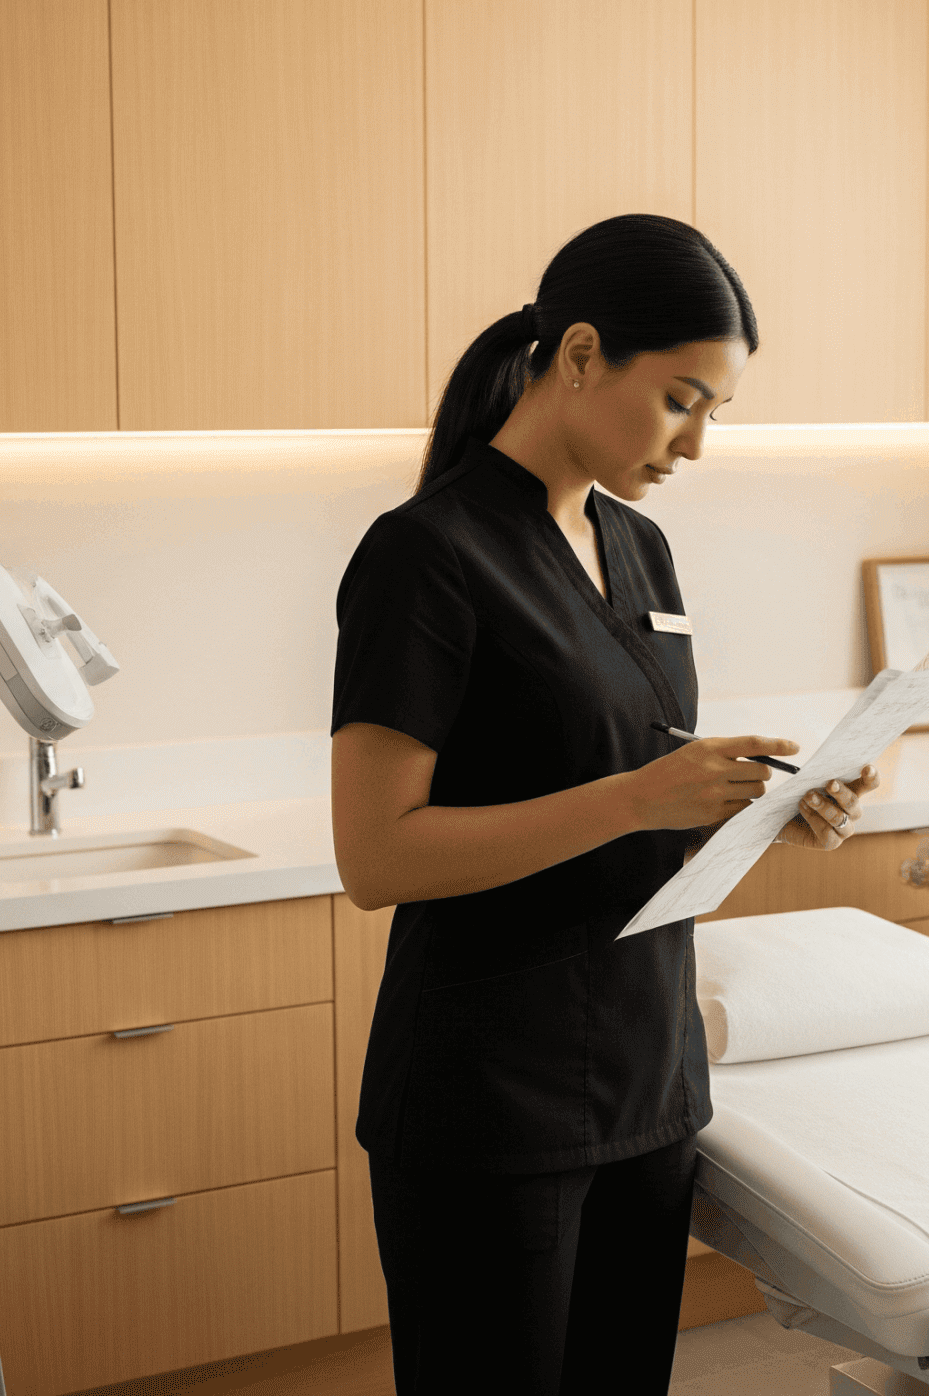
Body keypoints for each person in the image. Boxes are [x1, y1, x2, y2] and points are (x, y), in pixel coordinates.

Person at [329, 214, 880, 1394]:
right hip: (492, 1096)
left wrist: (764, 804)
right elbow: (377, 855)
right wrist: (638, 796)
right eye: (681, 399)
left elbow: (640, 789)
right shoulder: (425, 555)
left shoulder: (639, 547)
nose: (694, 442)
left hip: (647, 1072)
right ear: (579, 355)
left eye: (714, 412)